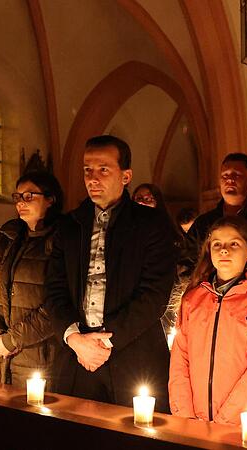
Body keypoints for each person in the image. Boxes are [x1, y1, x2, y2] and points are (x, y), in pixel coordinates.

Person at [44, 135, 177, 410]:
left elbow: (154, 294)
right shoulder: (69, 226)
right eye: (87, 170)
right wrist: (74, 338)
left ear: (126, 175)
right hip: (76, 356)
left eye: (103, 169)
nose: (93, 178)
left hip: (133, 354)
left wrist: (104, 343)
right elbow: (54, 288)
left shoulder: (150, 224)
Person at [169, 216, 247, 424]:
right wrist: (185, 415)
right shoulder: (193, 299)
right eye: (217, 244)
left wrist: (223, 420)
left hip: (242, 423)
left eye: (234, 244)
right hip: (194, 422)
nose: (224, 250)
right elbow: (179, 360)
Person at [0, 171, 64, 384]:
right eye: (18, 196)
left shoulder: (61, 241)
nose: (21, 202)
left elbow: (58, 302)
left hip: (38, 356)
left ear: (50, 199)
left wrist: (12, 340)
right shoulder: (6, 238)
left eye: (29, 196)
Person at [184, 153, 247, 288]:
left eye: (236, 175)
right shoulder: (203, 223)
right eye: (225, 176)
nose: (229, 180)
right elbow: (186, 263)